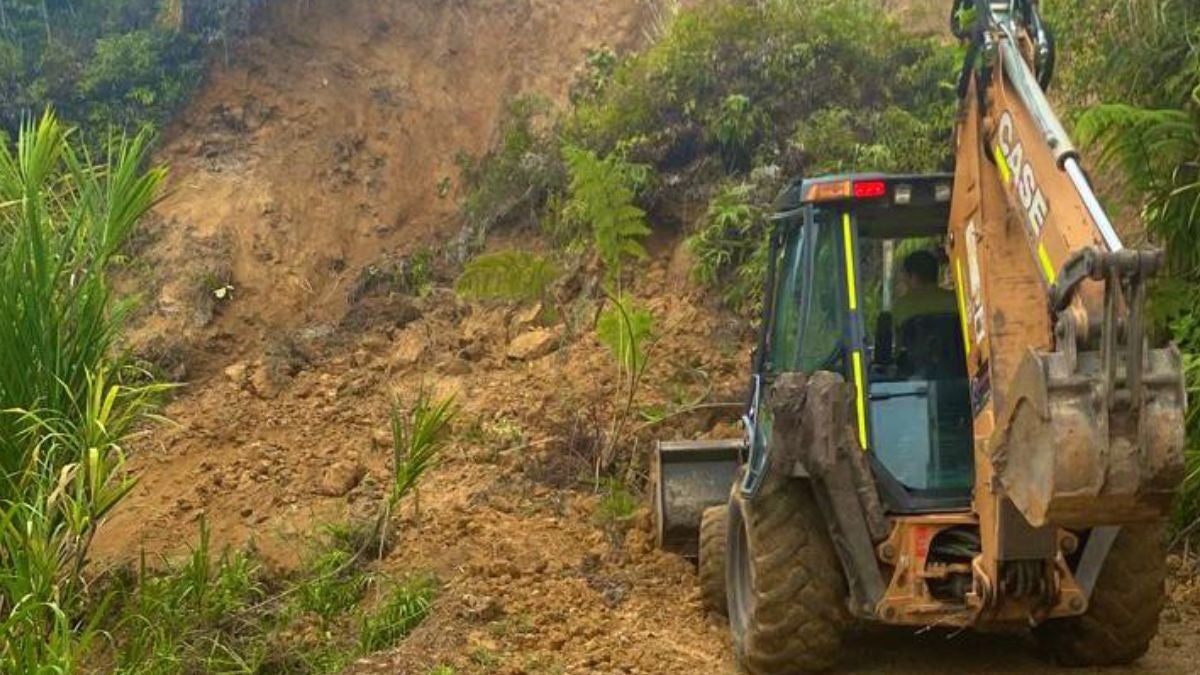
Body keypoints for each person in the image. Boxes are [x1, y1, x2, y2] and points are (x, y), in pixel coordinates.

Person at [892, 250, 957, 331]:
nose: (904, 281)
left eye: (905, 276)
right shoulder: (954, 300)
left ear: (914, 276)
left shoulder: (901, 307)